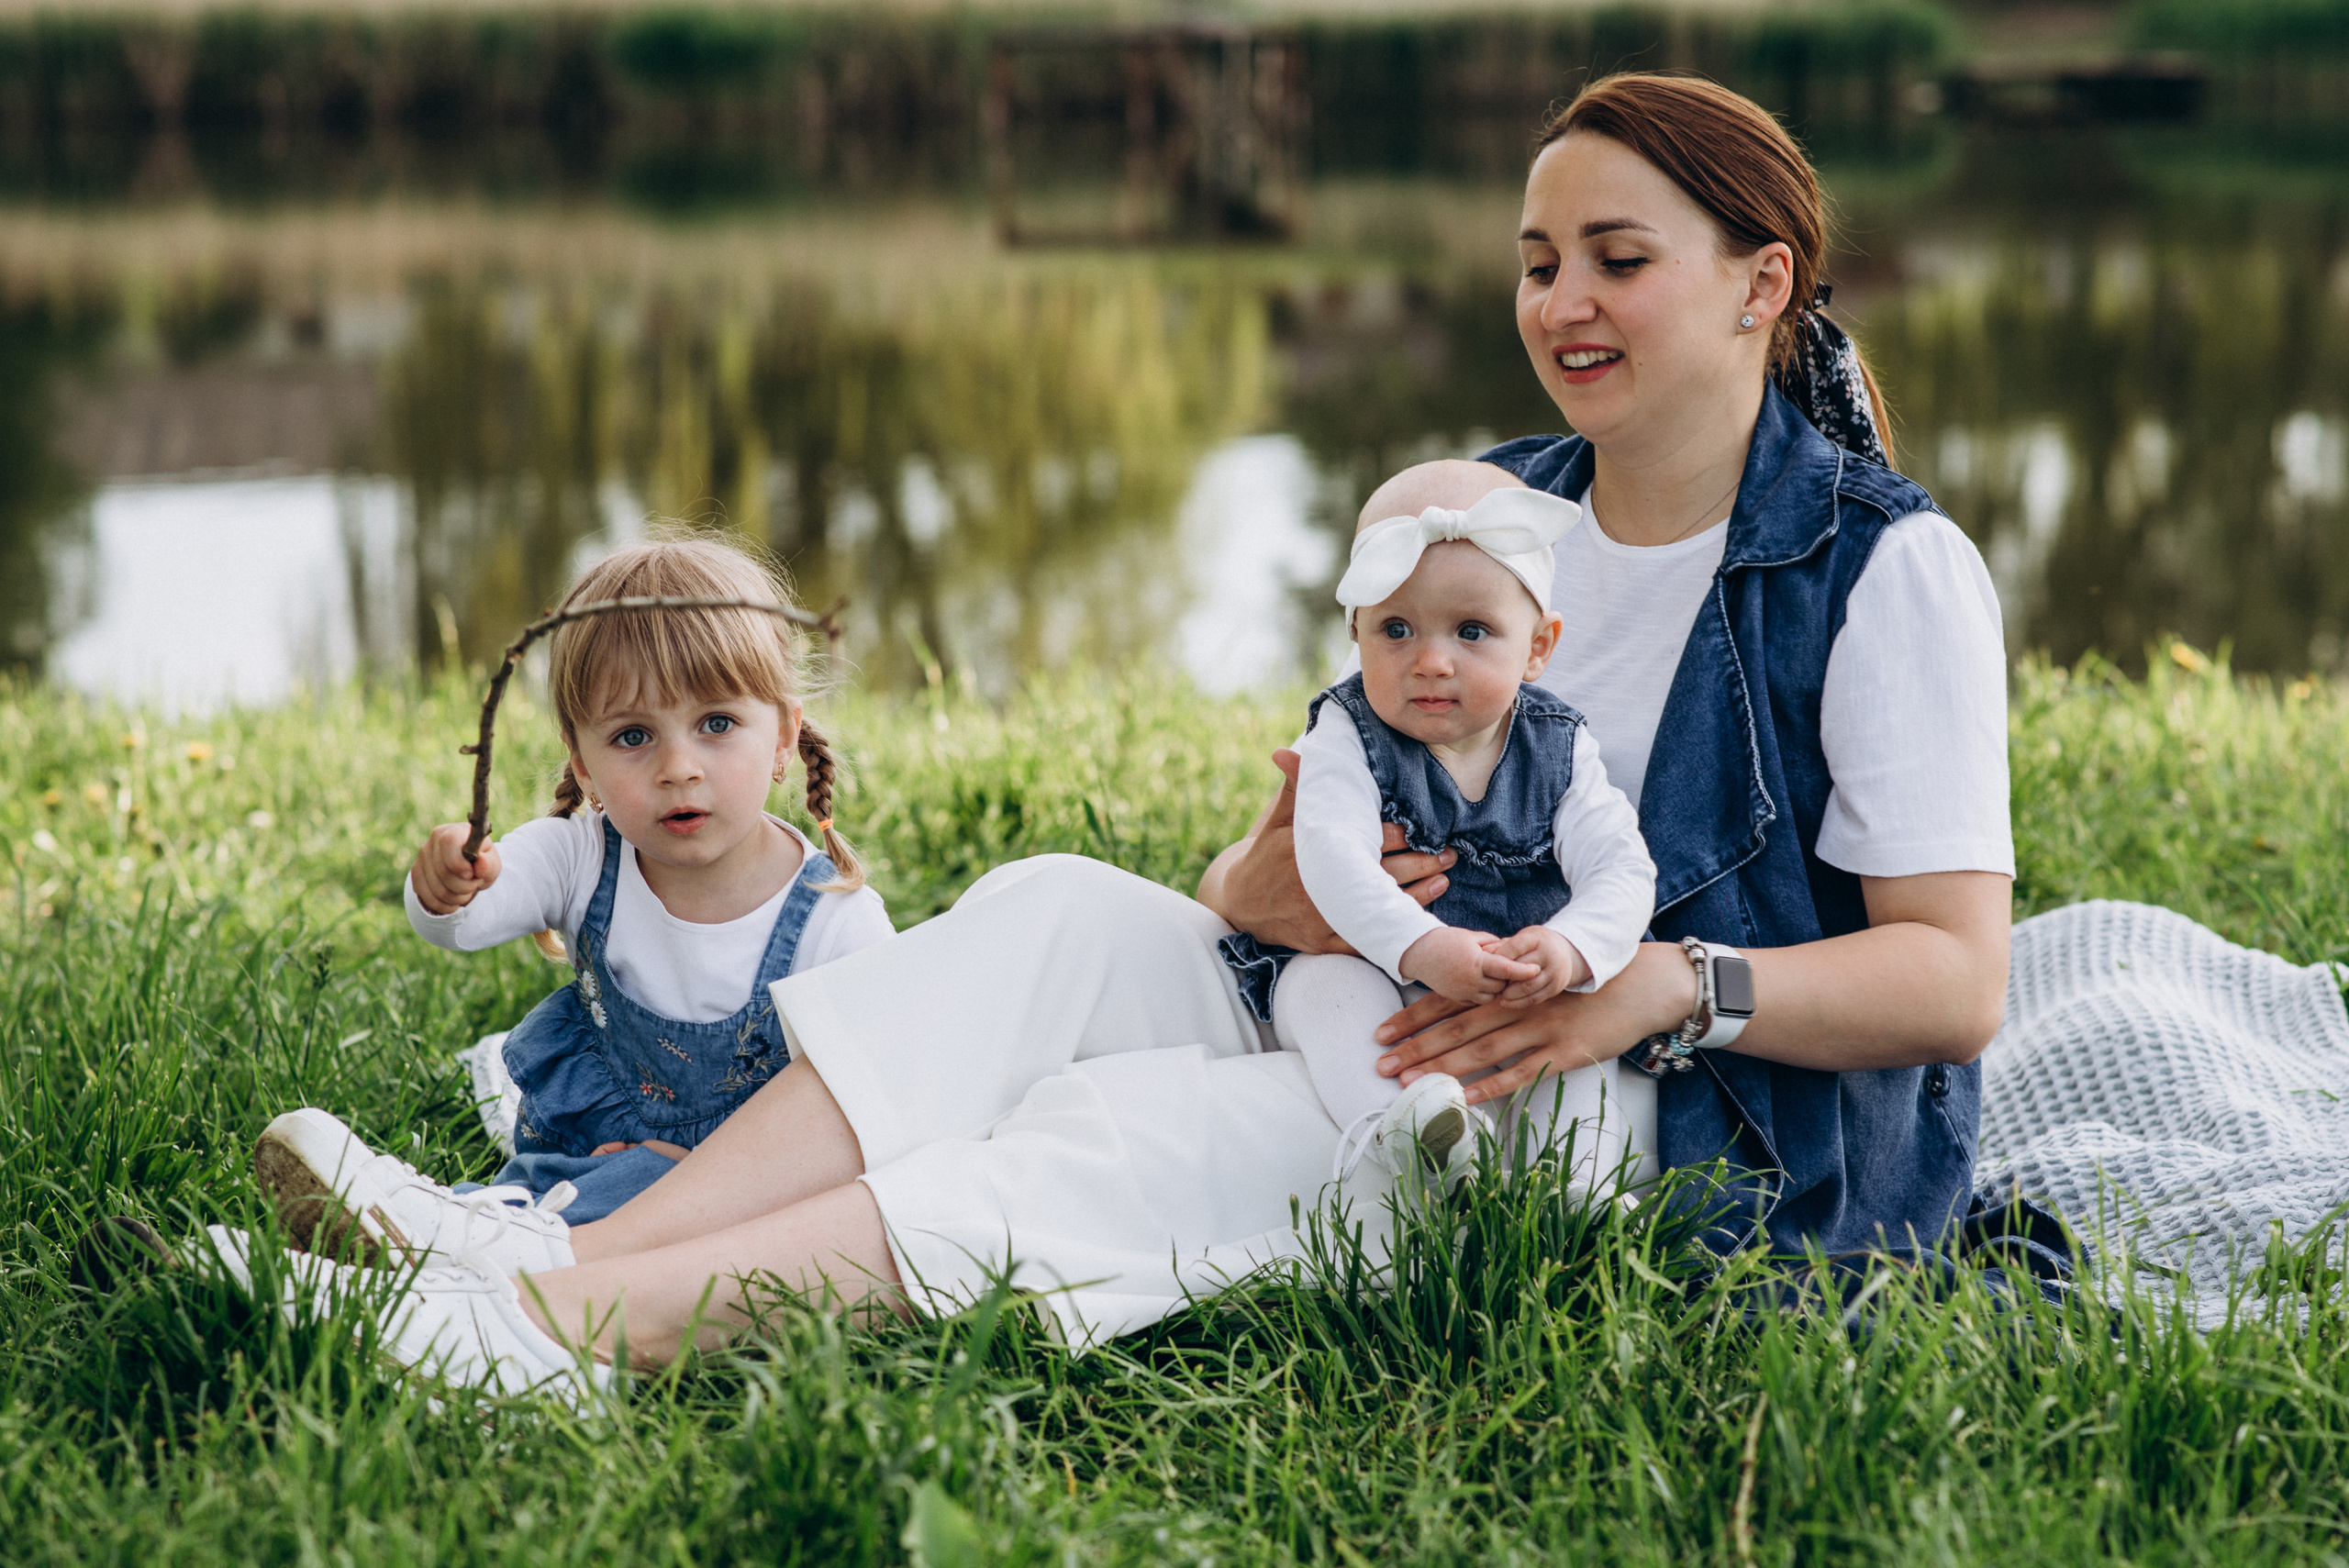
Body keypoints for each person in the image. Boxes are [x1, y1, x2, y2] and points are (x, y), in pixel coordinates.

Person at [206, 72, 2011, 1398]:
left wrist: (1654, 986)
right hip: (1387, 991)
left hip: (1688, 1130)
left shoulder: (1875, 569)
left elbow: (1951, 980)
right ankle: (568, 1239)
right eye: (1537, 260)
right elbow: (1267, 851)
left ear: (1758, 283)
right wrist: (1273, 884)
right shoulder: (1499, 507)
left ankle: (562, 1338)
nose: (1558, 304)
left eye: (1615, 259)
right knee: (1056, 906)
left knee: (1140, 1125)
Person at [251, 536, 896, 1279]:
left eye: (717, 723)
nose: (677, 767)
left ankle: (431, 1250)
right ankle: (374, 1257)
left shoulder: (834, 920)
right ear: (583, 761)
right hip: (583, 1154)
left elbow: (869, 1105)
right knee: (531, 1195)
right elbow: (469, 917)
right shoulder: (583, 855)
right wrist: (456, 878)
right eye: (632, 736)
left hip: (749, 1198)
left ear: (783, 735)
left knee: (551, 1217)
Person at [1222, 459, 1654, 1188]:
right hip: (1380, 967)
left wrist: (1574, 947)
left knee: (1581, 1051)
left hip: (1520, 977)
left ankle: (1577, 1186)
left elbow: (1622, 866)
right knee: (1321, 992)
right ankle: (1414, 1130)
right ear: (1354, 631)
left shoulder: (1560, 747)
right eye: (1396, 628)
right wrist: (1419, 945)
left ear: (1538, 647)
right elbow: (1332, 856)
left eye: (1472, 631)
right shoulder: (1345, 733)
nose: (1430, 661)